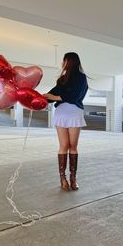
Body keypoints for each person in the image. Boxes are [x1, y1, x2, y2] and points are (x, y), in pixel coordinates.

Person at [43, 52, 88, 191]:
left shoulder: (81, 78)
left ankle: (72, 179)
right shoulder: (62, 79)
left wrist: (56, 97)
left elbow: (74, 95)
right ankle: (64, 179)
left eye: (64, 60)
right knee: (65, 145)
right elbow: (52, 94)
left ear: (68, 61)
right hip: (63, 112)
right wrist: (43, 97)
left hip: (73, 112)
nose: (62, 63)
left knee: (71, 146)